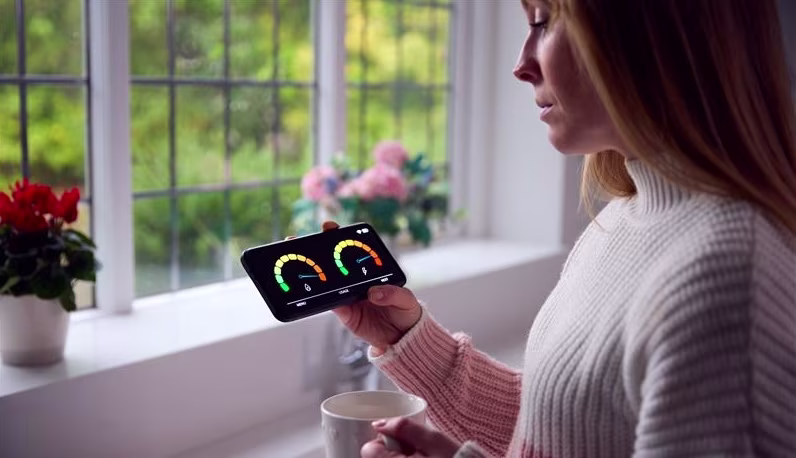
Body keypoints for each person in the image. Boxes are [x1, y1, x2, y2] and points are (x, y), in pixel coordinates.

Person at [319, 0, 796, 456]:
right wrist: (412, 344)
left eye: (543, 22)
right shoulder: (627, 219)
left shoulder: (725, 278)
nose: (521, 64)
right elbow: (570, 430)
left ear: (649, 37)